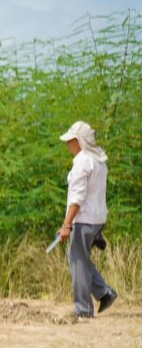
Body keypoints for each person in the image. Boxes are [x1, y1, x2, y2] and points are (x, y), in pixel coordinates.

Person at [57, 121, 117, 318]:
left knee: (77, 261)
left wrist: (67, 224)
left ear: (80, 141)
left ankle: (83, 309)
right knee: (80, 259)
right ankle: (104, 293)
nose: (68, 145)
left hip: (84, 220)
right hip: (98, 218)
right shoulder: (99, 159)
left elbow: (77, 197)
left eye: (71, 141)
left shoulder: (83, 160)